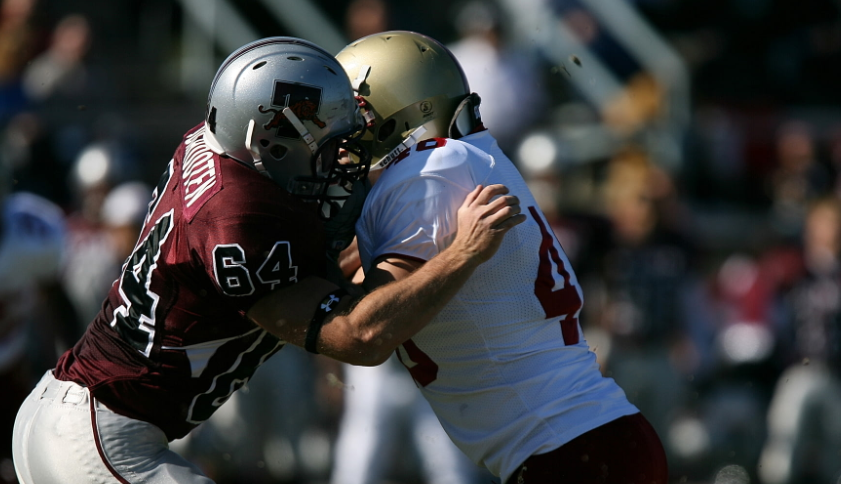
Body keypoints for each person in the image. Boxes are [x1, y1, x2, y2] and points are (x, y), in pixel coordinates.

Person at [11, 36, 524, 484]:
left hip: (67, 411)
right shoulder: (237, 222)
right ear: (268, 143)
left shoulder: (218, 148)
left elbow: (305, 273)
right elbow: (360, 336)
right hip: (100, 437)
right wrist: (462, 253)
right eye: (326, 145)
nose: (339, 160)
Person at [335, 30, 668, 484]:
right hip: (585, 441)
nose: (343, 134)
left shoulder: (427, 172)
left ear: (402, 109)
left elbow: (368, 325)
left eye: (357, 114)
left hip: (570, 451)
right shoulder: (458, 161)